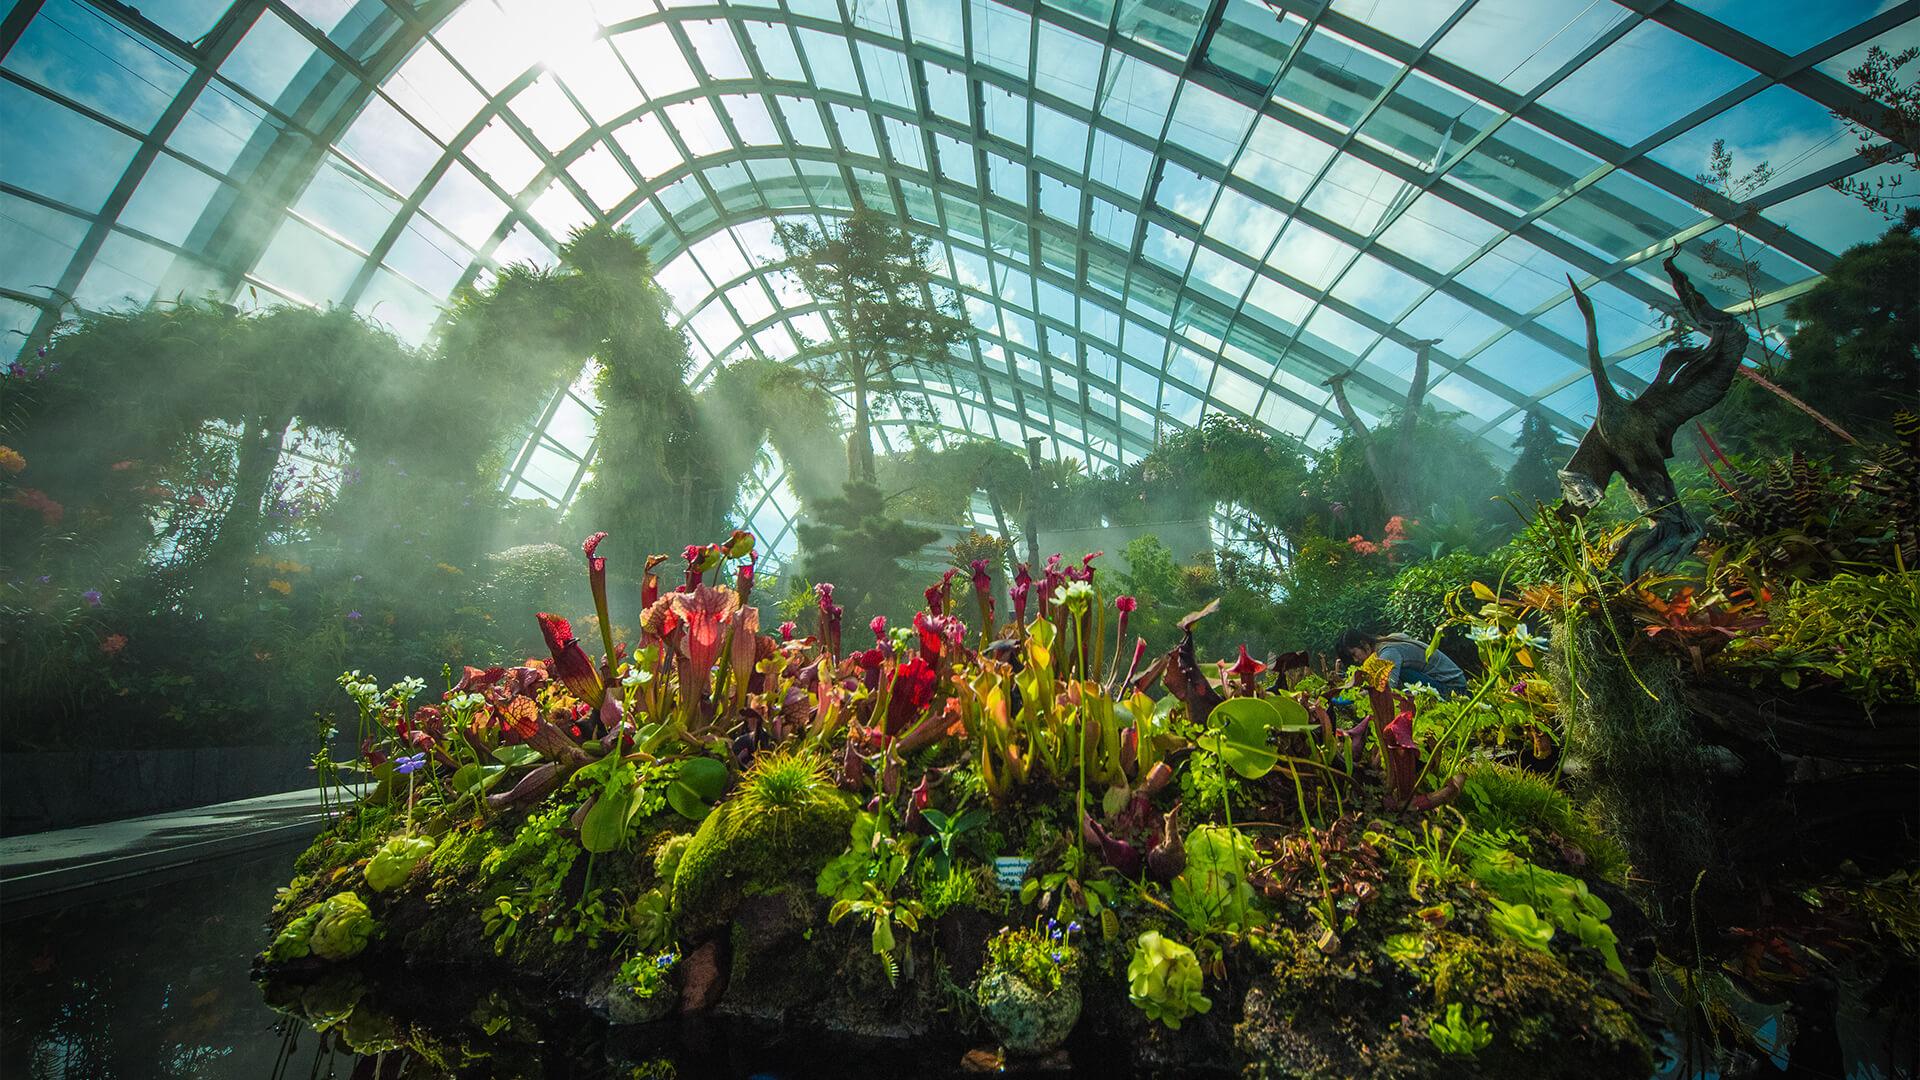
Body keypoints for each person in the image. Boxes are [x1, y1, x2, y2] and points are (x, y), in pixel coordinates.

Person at [1333, 628, 1468, 698]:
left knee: (1401, 675)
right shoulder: (1388, 639)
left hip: (1454, 690)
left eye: (1354, 654)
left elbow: (1386, 688)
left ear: (1363, 644)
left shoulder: (1388, 652)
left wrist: (1354, 697)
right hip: (1457, 682)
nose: (1356, 660)